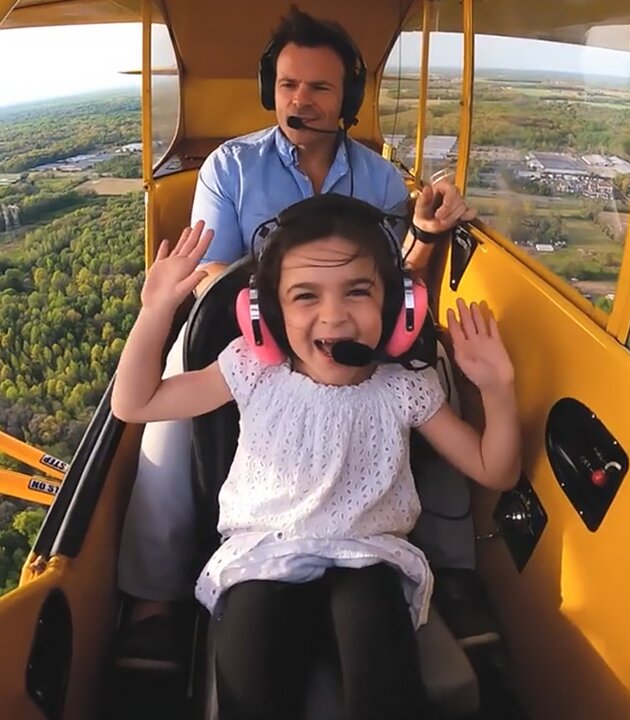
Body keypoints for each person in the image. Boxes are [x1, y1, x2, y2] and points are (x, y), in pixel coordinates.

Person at [116, 6, 478, 667]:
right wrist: (287, 315)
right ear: (270, 90)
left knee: (436, 366)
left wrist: (425, 235)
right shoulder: (232, 167)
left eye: (318, 89)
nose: (299, 101)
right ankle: (154, 595)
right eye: (288, 86)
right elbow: (208, 275)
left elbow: (395, 281)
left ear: (347, 101)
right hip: (246, 326)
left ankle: (452, 565)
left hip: (344, 331)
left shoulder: (376, 178)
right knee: (166, 414)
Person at [111, 194, 519, 720]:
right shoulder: (251, 370)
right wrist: (155, 311)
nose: (335, 316)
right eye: (306, 296)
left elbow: (496, 469)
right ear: (268, 315)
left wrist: (498, 390)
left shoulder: (405, 389)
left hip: (367, 557)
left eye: (357, 291)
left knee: (385, 679)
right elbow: (135, 402)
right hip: (264, 555)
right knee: (252, 676)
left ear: (395, 306)